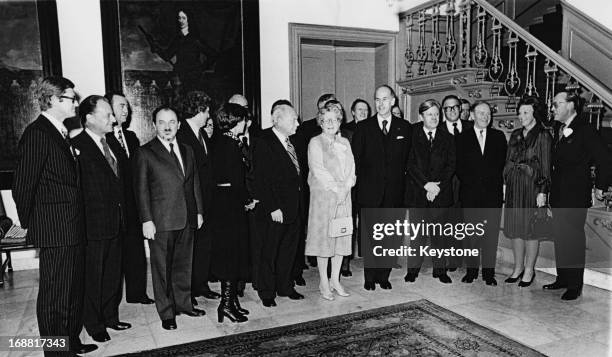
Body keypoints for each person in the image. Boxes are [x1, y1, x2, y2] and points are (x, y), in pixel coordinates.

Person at [12, 76, 98, 355]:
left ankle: (69, 341)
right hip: (55, 229)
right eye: (71, 98)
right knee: (55, 296)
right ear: (52, 100)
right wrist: (31, 226)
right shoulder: (37, 133)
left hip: (71, 227)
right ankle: (56, 351)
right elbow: (23, 186)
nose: (75, 103)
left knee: (72, 291)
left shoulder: (59, 132)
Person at [133, 106, 205, 330]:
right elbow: (141, 190)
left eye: (172, 122)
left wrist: (199, 211)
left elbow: (194, 183)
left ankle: (184, 304)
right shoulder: (145, 152)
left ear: (179, 125)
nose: (167, 126)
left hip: (187, 218)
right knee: (162, 269)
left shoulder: (187, 150)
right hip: (160, 221)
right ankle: (166, 312)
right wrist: (146, 220)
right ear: (154, 125)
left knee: (184, 265)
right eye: (162, 122)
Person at [72, 95, 132, 343]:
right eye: (107, 114)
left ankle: (110, 315)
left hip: (116, 222)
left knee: (112, 273)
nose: (113, 118)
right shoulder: (77, 146)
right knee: (93, 276)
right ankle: (94, 323)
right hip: (93, 226)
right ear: (89, 118)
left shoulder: (113, 144)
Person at [544, 91, 612, 300]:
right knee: (561, 238)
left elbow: (605, 159)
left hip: (575, 195)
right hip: (558, 194)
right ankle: (563, 277)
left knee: (573, 239)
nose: (553, 108)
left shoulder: (585, 129)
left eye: (557, 104)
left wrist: (601, 186)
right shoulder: (557, 128)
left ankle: (574, 284)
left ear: (571, 105)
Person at [352, 85, 413, 290]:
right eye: (377, 99)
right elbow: (356, 163)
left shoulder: (405, 127)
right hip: (370, 193)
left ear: (393, 101)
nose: (380, 104)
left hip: (395, 194)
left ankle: (383, 275)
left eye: (385, 99)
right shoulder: (363, 127)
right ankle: (369, 278)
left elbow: (409, 162)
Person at [104, 92, 154, 305]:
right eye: (121, 106)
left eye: (127, 106)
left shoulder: (131, 137)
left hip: (133, 206)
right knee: (114, 259)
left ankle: (137, 293)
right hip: (114, 208)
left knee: (136, 253)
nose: (126, 111)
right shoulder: (103, 138)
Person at [253, 103, 304, 307]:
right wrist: (273, 207)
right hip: (275, 210)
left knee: (288, 250)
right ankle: (267, 291)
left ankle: (285, 286)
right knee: (270, 251)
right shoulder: (263, 141)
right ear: (277, 119)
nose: (297, 123)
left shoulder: (293, 141)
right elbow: (261, 178)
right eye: (293, 119)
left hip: (294, 207)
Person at [305, 100, 356, 300]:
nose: (329, 123)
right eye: (325, 120)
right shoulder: (315, 142)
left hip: (344, 197)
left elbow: (352, 168)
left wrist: (346, 187)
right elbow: (318, 170)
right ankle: (323, 282)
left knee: (341, 237)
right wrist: (337, 189)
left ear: (339, 121)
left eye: (334, 119)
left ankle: (335, 279)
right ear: (320, 122)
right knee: (324, 240)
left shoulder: (345, 142)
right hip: (324, 198)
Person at [209, 103, 253, 322]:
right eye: (243, 119)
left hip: (226, 206)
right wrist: (248, 199)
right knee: (230, 256)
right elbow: (235, 180)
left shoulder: (224, 141)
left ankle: (232, 301)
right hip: (228, 209)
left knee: (234, 255)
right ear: (235, 121)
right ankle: (225, 305)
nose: (246, 123)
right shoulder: (227, 144)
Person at [456, 100, 507, 285]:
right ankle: (471, 272)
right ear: (472, 115)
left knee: (490, 236)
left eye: (488, 113)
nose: (485, 117)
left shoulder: (499, 136)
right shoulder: (462, 138)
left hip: (492, 195)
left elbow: (501, 164)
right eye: (480, 113)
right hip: (470, 194)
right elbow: (459, 167)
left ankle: (488, 274)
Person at [404, 99, 455, 284]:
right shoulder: (412, 135)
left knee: (439, 236)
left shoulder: (447, 137)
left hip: (440, 194)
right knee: (417, 236)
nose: (434, 118)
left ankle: (440, 271)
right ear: (421, 116)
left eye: (436, 114)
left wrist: (437, 187)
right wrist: (426, 185)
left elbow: (451, 166)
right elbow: (409, 164)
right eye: (429, 114)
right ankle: (412, 270)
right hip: (418, 193)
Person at [503, 97, 552, 287]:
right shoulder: (515, 134)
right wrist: (505, 183)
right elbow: (508, 161)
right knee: (516, 227)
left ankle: (529, 270)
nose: (520, 116)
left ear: (534, 114)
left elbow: (546, 166)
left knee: (531, 229)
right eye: (520, 112)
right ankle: (517, 267)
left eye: (526, 113)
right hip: (514, 186)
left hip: (532, 188)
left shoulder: (543, 135)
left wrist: (543, 191)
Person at [176, 91, 220, 302]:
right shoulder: (181, 133)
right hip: (191, 202)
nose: (209, 115)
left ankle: (201, 285)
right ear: (198, 110)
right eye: (207, 110)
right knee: (189, 249)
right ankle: (188, 292)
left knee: (203, 246)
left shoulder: (200, 133)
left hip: (207, 201)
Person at [439, 94, 473, 271]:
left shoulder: (471, 127)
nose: (451, 110)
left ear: (460, 109)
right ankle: (450, 260)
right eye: (447, 108)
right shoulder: (438, 129)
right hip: (446, 185)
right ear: (443, 111)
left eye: (454, 107)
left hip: (468, 185)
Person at [147, 9, 218, 91]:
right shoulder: (178, 39)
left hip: (193, 78)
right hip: (179, 76)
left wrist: (201, 68)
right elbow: (167, 56)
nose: (181, 20)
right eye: (179, 18)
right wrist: (155, 47)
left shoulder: (195, 39)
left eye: (184, 18)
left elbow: (213, 55)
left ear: (189, 20)